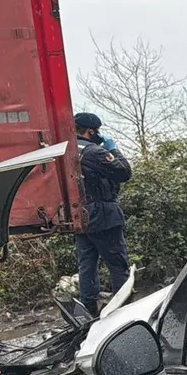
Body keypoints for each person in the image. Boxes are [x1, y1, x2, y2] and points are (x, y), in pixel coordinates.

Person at [73, 112, 133, 315]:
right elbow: (124, 172)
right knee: (118, 264)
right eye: (96, 131)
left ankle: (89, 312)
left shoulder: (67, 150)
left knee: (87, 265)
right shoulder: (94, 152)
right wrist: (113, 149)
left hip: (79, 215)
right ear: (91, 132)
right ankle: (123, 311)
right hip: (103, 215)